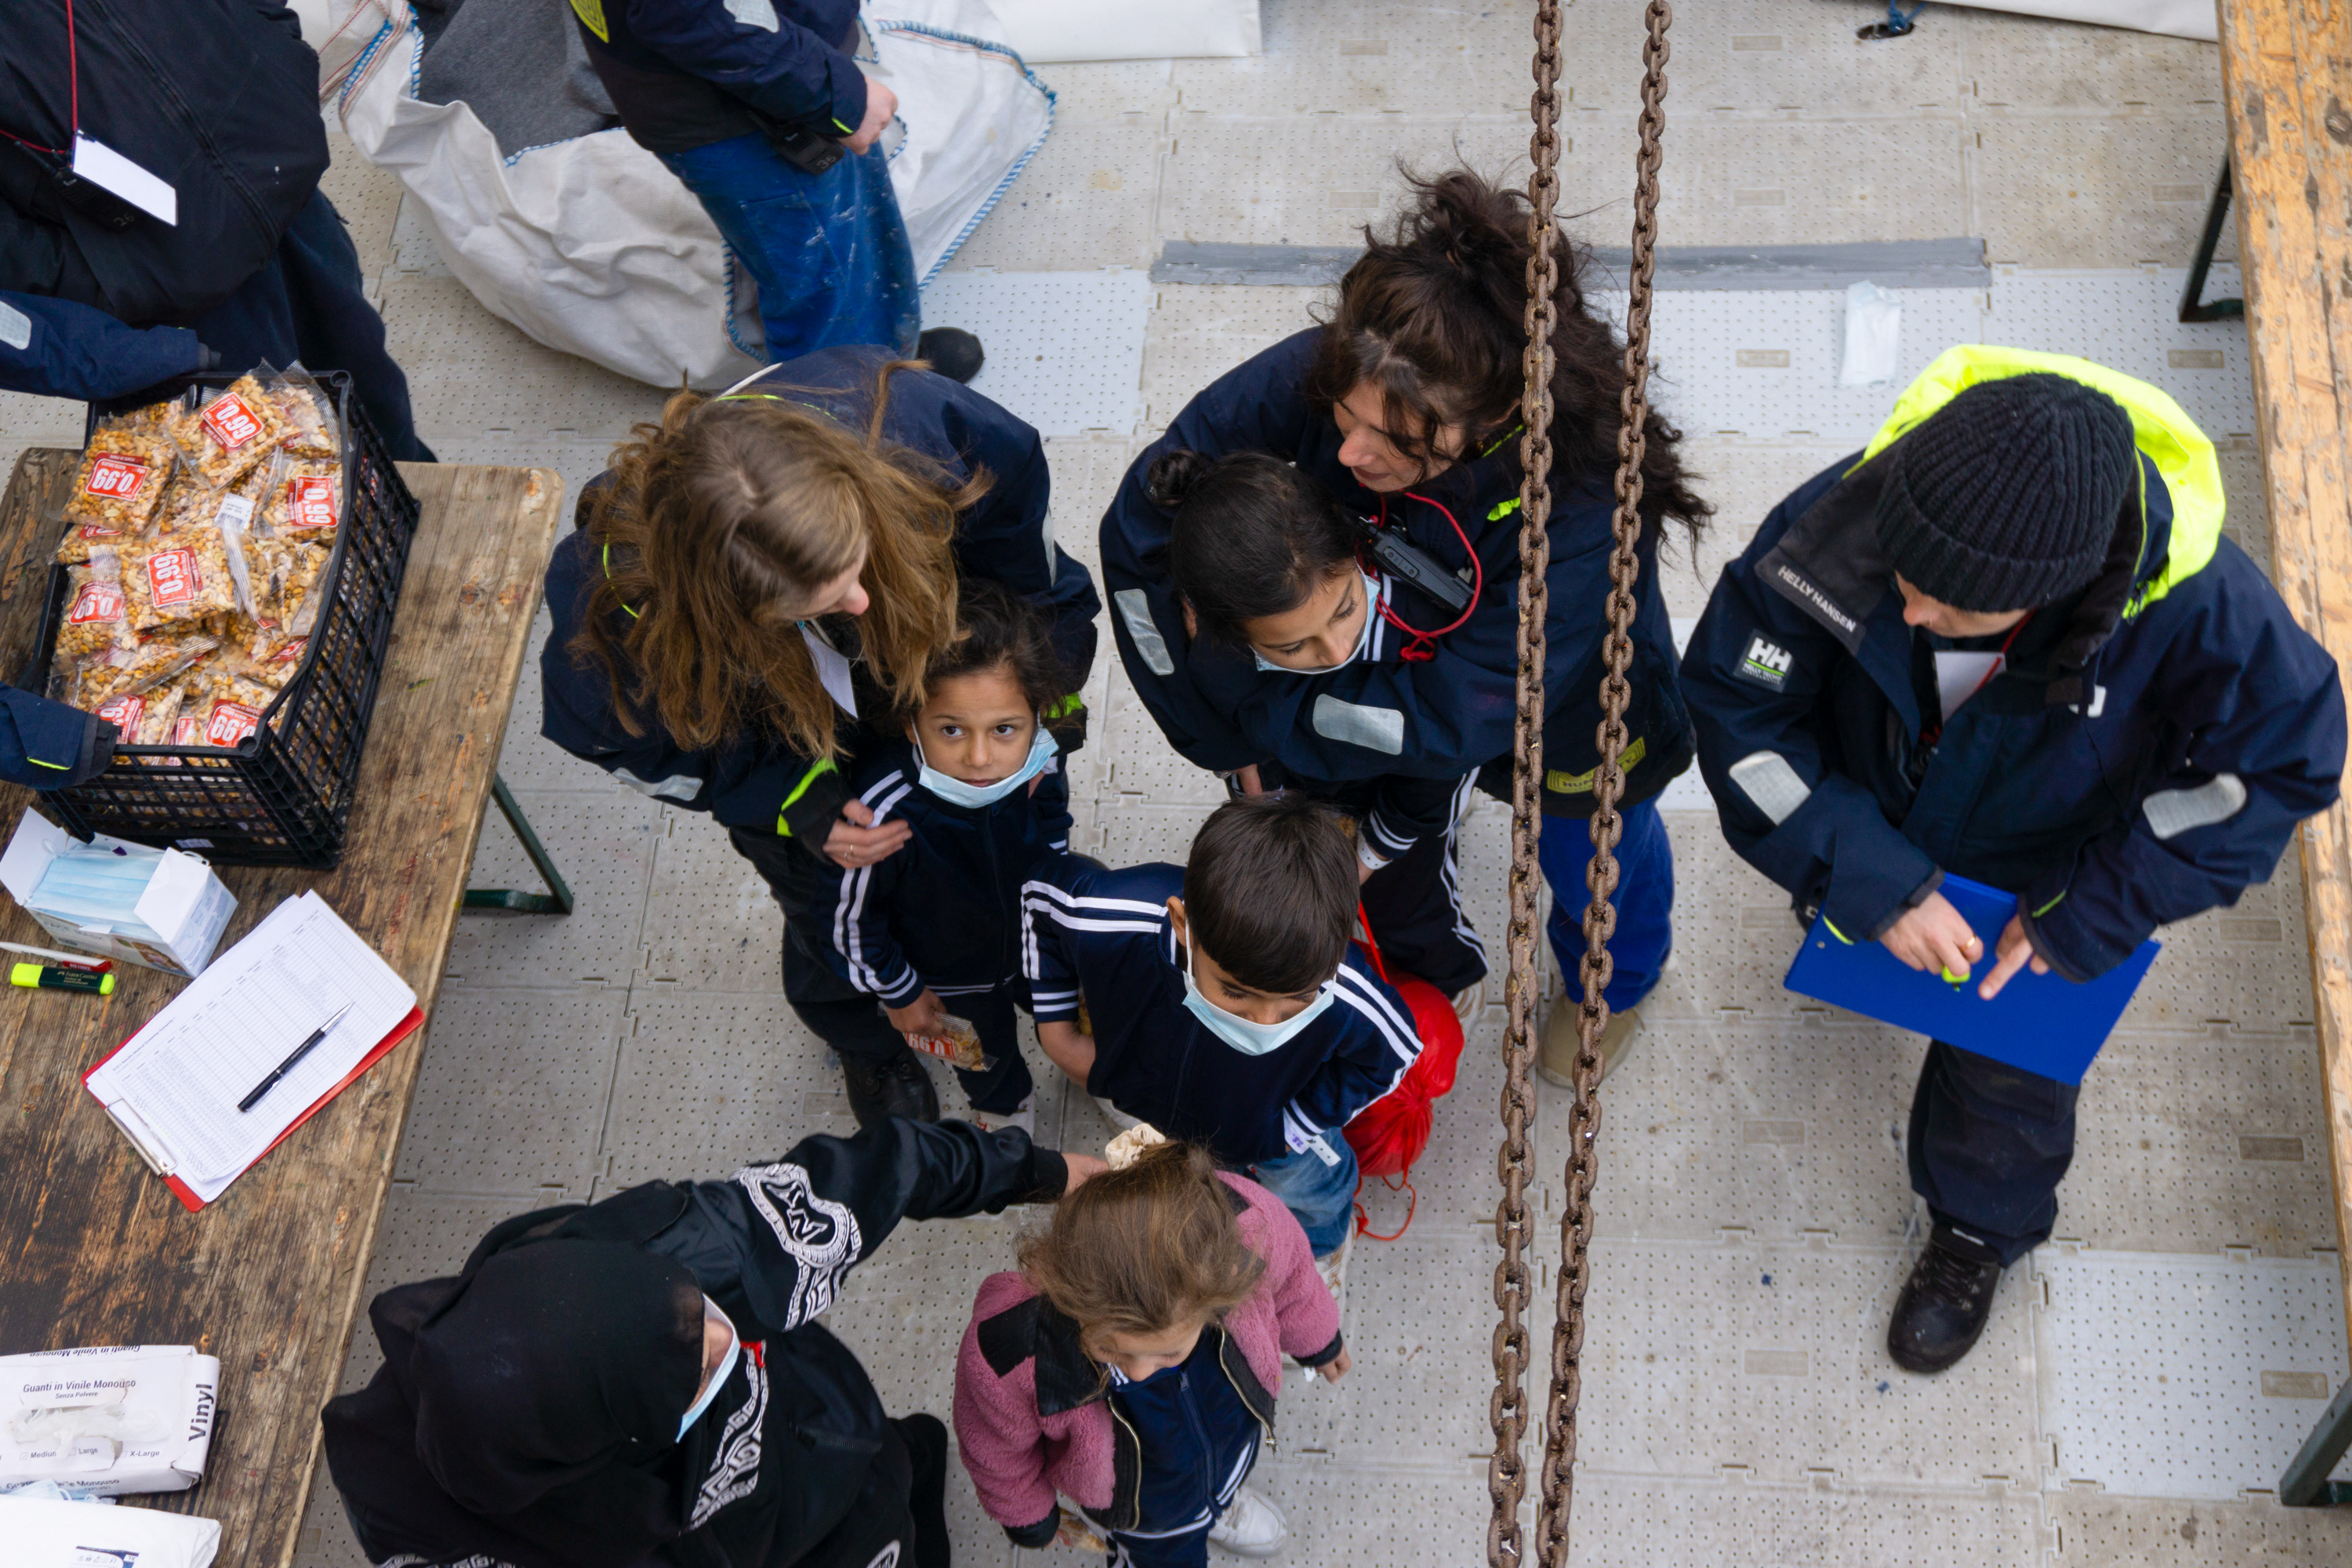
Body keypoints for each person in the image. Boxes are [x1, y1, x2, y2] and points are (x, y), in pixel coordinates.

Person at [1679, 347, 2347, 1374]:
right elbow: (1736, 702)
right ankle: (1851, 906)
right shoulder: (1861, 511)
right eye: (1898, 582)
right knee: (1854, 908)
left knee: (2010, 1083)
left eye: (1944, 607)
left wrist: (2082, 915)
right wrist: (1863, 872)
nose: (1907, 613)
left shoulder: (2204, 608)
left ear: (2050, 594)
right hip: (1879, 814)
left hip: (2041, 879)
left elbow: (2279, 768)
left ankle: (1977, 1230)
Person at [1098, 169, 1710, 1088]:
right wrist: (1213, 724)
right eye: (1343, 418)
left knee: (1594, 846)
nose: (1349, 452)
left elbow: (1454, 712)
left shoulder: (1584, 502)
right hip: (1379, 639)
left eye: (1395, 441)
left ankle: (1609, 982)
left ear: (1500, 413)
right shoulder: (1360, 372)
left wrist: (1272, 716)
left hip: (1567, 699)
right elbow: (1140, 530)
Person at [542, 344, 1098, 1127]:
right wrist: (790, 798)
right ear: (720, 610)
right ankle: (868, 1042)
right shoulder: (610, 623)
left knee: (1003, 854)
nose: (863, 601)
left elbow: (1034, 575)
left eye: (853, 561)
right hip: (789, 748)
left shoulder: (927, 433)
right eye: (821, 599)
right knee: (824, 912)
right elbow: (619, 745)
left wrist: (1046, 700)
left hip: (936, 684)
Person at [322, 1115, 1106, 1568]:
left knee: (901, 1457)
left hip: (829, 1423)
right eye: (695, 1370)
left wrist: (1039, 1171)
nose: (735, 1336)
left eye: (700, 1315)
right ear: (605, 1435)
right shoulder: (429, 1519)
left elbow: (883, 1168)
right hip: (780, 1546)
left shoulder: (678, 1259)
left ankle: (907, 1461)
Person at [1, 1, 432, 460]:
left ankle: (411, 491)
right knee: (253, 484)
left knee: (371, 402)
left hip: (275, 182)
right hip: (172, 290)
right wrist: (115, 284)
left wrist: (275, 56)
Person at [1143, 448, 1490, 1004]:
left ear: (1357, 553)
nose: (1334, 650)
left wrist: (1366, 863)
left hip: (1405, 785)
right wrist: (1257, 799)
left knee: (1407, 905)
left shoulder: (1423, 633)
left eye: (1345, 609)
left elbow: (1441, 764)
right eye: (1292, 645)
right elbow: (1236, 732)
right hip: (1299, 783)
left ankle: (1452, 980)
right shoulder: (1212, 655)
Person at [1020, 795, 1423, 1263]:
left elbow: (1396, 1050)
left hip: (1268, 1136)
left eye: (1298, 1000)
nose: (1265, 1025)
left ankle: (1314, 1255)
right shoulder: (1110, 914)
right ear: (1181, 925)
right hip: (1141, 1095)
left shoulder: (1345, 986)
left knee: (1310, 1192)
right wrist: (1057, 1035)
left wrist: (1293, 1128)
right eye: (1236, 992)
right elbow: (1039, 903)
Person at [767, 582, 1076, 1133]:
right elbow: (849, 925)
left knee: (1075, 1001)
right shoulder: (877, 813)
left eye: (1005, 729)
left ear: (1037, 719)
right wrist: (901, 990)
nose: (980, 758)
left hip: (1038, 945)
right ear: (912, 723)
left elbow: (1053, 819)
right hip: (951, 978)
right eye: (951, 730)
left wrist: (1057, 877)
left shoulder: (1040, 764)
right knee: (985, 1054)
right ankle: (1004, 1107)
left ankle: (1088, 1059)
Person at [954, 1138, 1346, 1563]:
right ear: (1070, 1296)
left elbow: (1292, 1280)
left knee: (1219, 1483)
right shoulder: (1012, 1351)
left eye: (1168, 1353)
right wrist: (1029, 1517)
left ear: (1213, 1296)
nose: (1139, 1373)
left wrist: (1318, 1339)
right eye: (1109, 1348)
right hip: (1139, 1514)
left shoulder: (1243, 1231)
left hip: (1231, 1439)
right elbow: (996, 1451)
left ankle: (1219, 1503)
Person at [568, 0, 981, 376]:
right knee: (822, 286)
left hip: (772, 73)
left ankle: (885, 361)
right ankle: (845, 423)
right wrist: (839, 96)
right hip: (749, 106)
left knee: (849, 248)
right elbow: (690, 16)